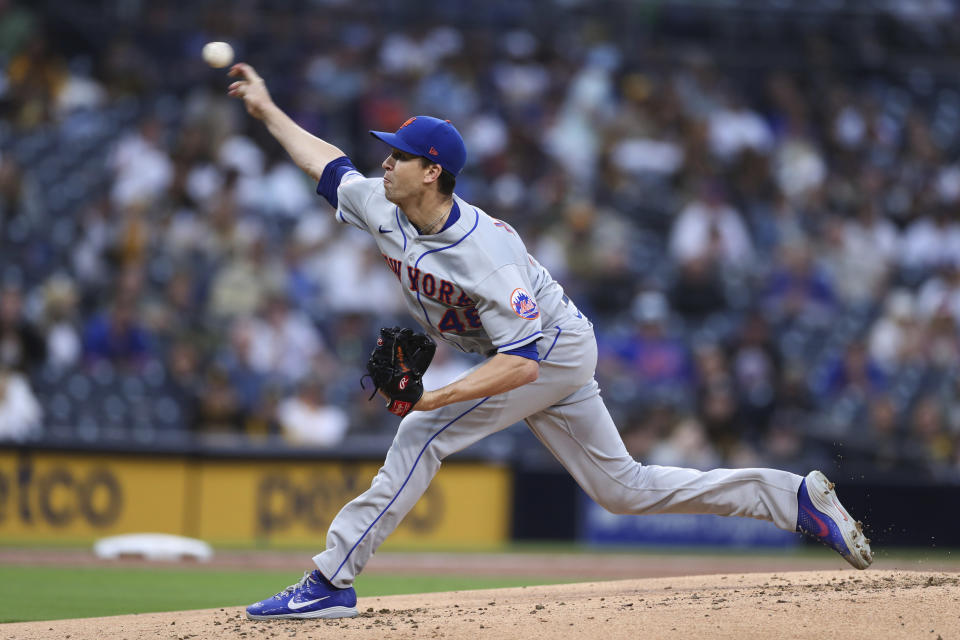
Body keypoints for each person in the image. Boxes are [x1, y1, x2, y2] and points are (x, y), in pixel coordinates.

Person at [227, 63, 873, 621]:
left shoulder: (486, 254)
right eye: (388, 152)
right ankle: (789, 497)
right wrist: (267, 110)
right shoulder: (381, 204)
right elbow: (327, 164)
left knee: (422, 435)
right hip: (523, 356)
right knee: (624, 490)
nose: (385, 161)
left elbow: (523, 366)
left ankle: (330, 581)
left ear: (432, 173)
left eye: (398, 155)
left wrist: (433, 401)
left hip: (551, 351)